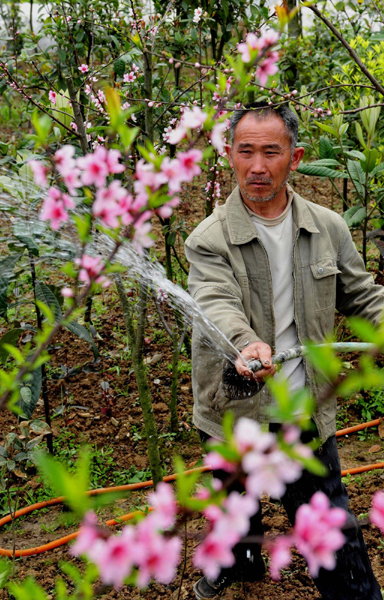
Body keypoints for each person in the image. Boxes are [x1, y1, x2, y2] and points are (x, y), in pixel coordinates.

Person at [184, 101, 384, 600]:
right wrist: (245, 342)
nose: (257, 166)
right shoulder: (208, 239)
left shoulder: (328, 227)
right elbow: (215, 304)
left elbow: (361, 294)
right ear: (228, 155)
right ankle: (235, 563)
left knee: (330, 526)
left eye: (271, 152)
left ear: (294, 159)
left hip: (304, 409)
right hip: (235, 409)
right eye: (245, 151)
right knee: (236, 508)